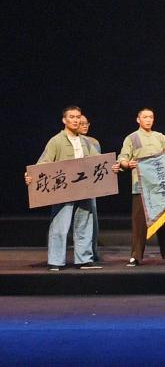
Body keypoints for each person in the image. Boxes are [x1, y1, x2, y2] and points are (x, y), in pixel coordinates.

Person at [24, 106, 101, 270]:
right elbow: (44, 163)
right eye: (72, 117)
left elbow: (98, 161)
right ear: (64, 120)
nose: (76, 120)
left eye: (78, 117)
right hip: (63, 190)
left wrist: (113, 167)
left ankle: (84, 259)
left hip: (84, 188)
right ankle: (56, 260)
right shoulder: (56, 141)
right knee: (60, 226)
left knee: (84, 225)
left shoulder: (86, 142)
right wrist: (32, 176)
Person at [113, 107, 165, 267]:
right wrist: (126, 164)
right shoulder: (132, 138)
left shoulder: (159, 137)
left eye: (151, 117)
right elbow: (123, 158)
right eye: (145, 117)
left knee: (164, 221)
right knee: (139, 223)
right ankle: (136, 256)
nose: (148, 120)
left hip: (159, 187)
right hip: (141, 186)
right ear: (138, 119)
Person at [78, 114, 101, 261]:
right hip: (70, 188)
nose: (85, 126)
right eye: (81, 123)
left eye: (87, 123)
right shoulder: (61, 141)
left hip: (88, 187)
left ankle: (92, 252)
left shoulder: (93, 142)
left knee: (91, 221)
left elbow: (99, 162)